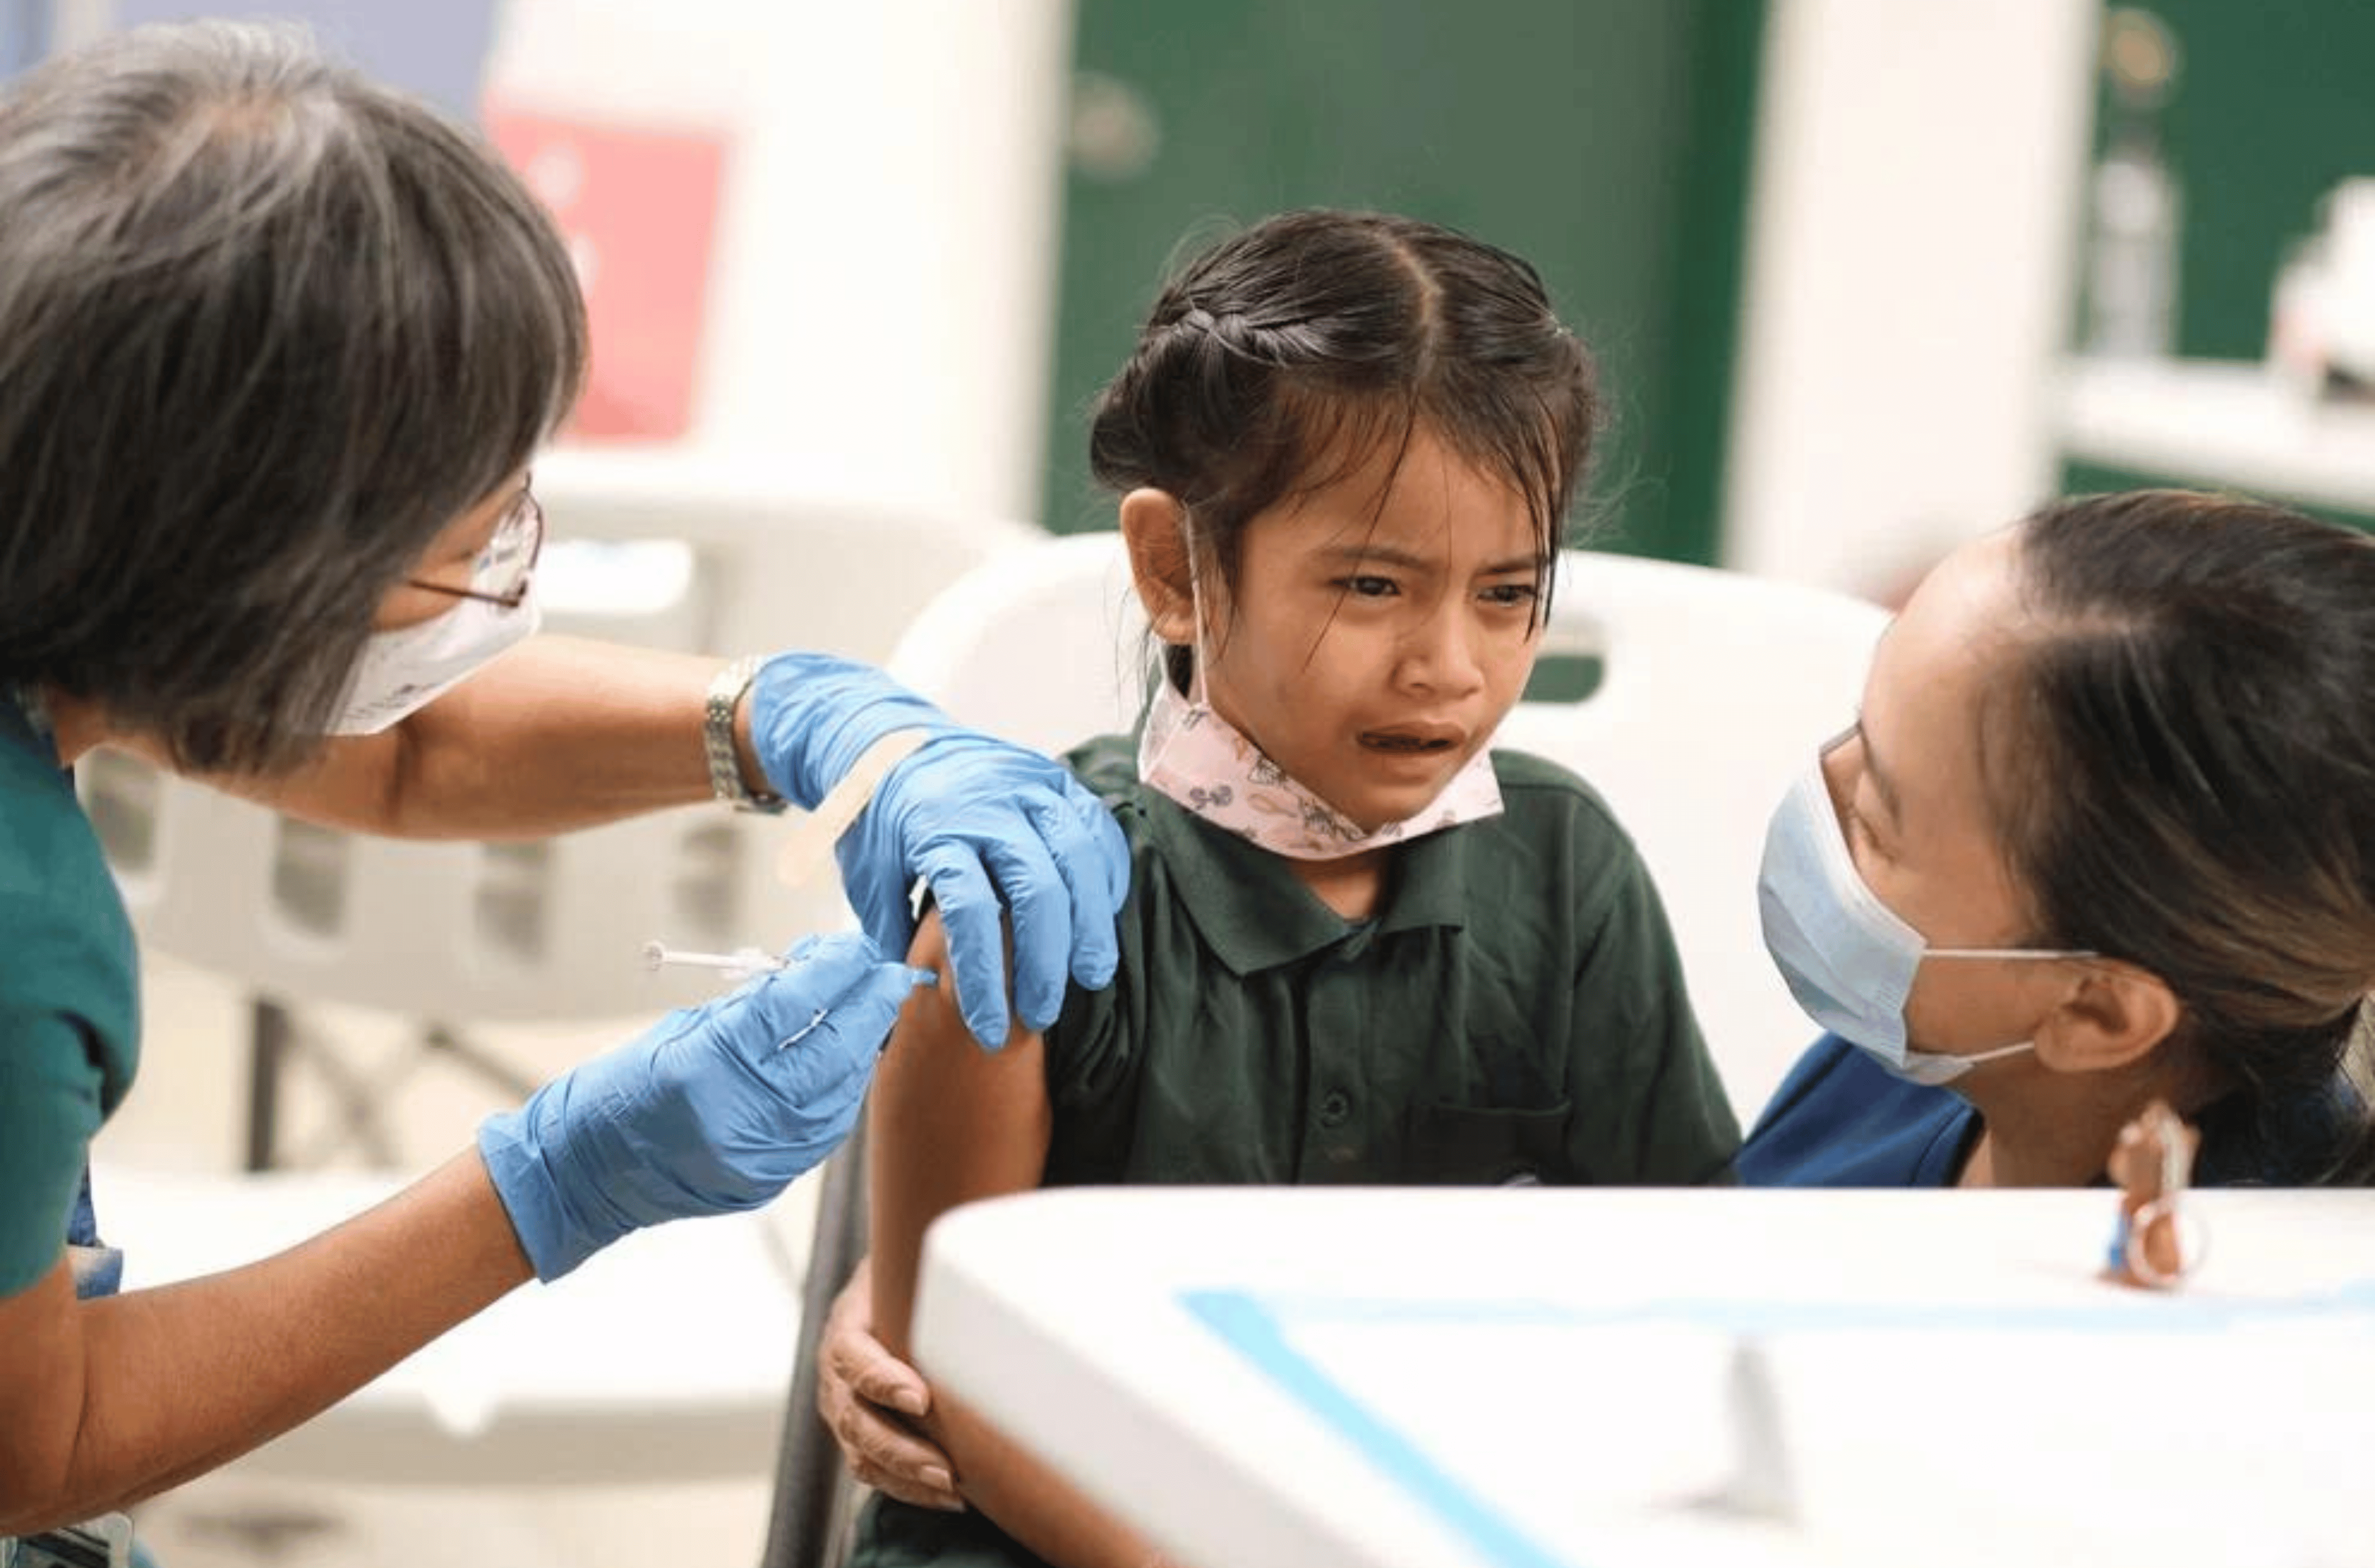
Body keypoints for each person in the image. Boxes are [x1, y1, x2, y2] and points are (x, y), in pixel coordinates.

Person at [0, 22, 1127, 1547]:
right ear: (254, 575)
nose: (503, 590)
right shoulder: (23, 930)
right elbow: (38, 1438)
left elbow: (405, 742)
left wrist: (803, 720)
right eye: (469, 554)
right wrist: (555, 1180)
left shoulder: (60, 538)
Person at [842, 209, 1739, 1568]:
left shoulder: (1566, 872)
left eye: (1507, 593)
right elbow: (941, 1389)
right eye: (1373, 585)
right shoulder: (1025, 902)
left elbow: (1690, 1296)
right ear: (1173, 571)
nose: (1450, 665)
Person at [1740, 489, 2375, 1189]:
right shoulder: (1891, 1079)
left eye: (1878, 825)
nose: (1824, 785)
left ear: (2096, 1012)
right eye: (1859, 729)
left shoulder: (2207, 1276)